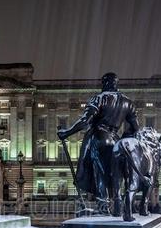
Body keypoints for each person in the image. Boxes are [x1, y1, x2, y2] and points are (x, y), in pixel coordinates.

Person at [57, 72, 140, 214]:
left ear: (105, 83)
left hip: (99, 136)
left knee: (99, 173)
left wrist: (66, 133)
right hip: (115, 139)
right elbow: (135, 128)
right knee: (115, 174)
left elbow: (85, 121)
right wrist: (124, 139)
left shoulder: (100, 98)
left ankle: (103, 207)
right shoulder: (127, 102)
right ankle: (118, 205)